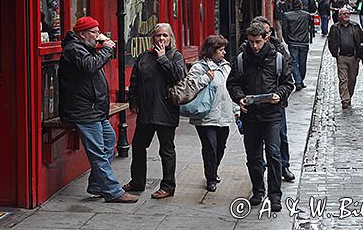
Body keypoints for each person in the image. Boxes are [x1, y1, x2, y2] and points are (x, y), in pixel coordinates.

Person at [58, 16, 138, 203]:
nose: (98, 35)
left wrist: (104, 47)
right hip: (83, 111)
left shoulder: (86, 48)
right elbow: (90, 66)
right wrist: (107, 49)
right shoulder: (73, 49)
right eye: (94, 32)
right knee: (98, 152)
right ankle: (113, 192)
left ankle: (96, 184)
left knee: (109, 140)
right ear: (82, 34)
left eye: (97, 31)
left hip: (94, 110)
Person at [227, 22, 294, 212]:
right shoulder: (241, 59)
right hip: (250, 116)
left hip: (272, 115)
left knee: (274, 154)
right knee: (254, 156)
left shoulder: (278, 58)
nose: (255, 46)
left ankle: (275, 195)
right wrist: (239, 98)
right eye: (251, 42)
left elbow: (288, 83)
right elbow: (232, 84)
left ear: (266, 38)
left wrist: (279, 95)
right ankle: (258, 190)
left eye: (258, 41)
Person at [124, 23, 186, 199]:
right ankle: (137, 181)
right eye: (158, 35)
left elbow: (177, 75)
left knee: (166, 150)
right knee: (138, 146)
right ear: (153, 38)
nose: (161, 39)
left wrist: (163, 58)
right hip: (146, 111)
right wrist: (133, 101)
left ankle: (168, 186)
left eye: (165, 36)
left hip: (166, 111)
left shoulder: (176, 56)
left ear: (170, 38)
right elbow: (135, 80)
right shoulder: (144, 56)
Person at [250, 16, 296, 183]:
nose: (266, 35)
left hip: (276, 105)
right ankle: (260, 168)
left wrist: (279, 93)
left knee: (280, 136)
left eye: (268, 32)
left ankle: (284, 166)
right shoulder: (245, 51)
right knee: (255, 144)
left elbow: (288, 68)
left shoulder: (278, 48)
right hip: (254, 107)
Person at [186, 35, 233, 192]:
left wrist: (237, 109)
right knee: (210, 147)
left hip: (224, 114)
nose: (224, 53)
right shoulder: (199, 68)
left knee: (221, 147)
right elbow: (189, 87)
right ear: (211, 51)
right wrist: (205, 78)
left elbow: (232, 90)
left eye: (223, 49)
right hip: (205, 115)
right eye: (220, 50)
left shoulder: (227, 67)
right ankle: (211, 178)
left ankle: (213, 170)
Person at [327, 7, 363, 109]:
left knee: (352, 79)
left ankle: (349, 96)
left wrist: (359, 54)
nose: (346, 15)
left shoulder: (355, 26)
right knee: (343, 79)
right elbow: (331, 42)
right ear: (339, 16)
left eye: (347, 13)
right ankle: (345, 100)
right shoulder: (335, 28)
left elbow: (360, 40)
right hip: (341, 57)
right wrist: (335, 54)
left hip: (353, 57)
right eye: (344, 14)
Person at [282, 0, 312, 91]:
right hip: (303, 42)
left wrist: (287, 40)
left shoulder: (287, 16)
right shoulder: (306, 15)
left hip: (293, 42)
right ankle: (300, 81)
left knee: (294, 62)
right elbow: (309, 27)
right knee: (302, 63)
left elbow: (285, 30)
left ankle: (298, 81)